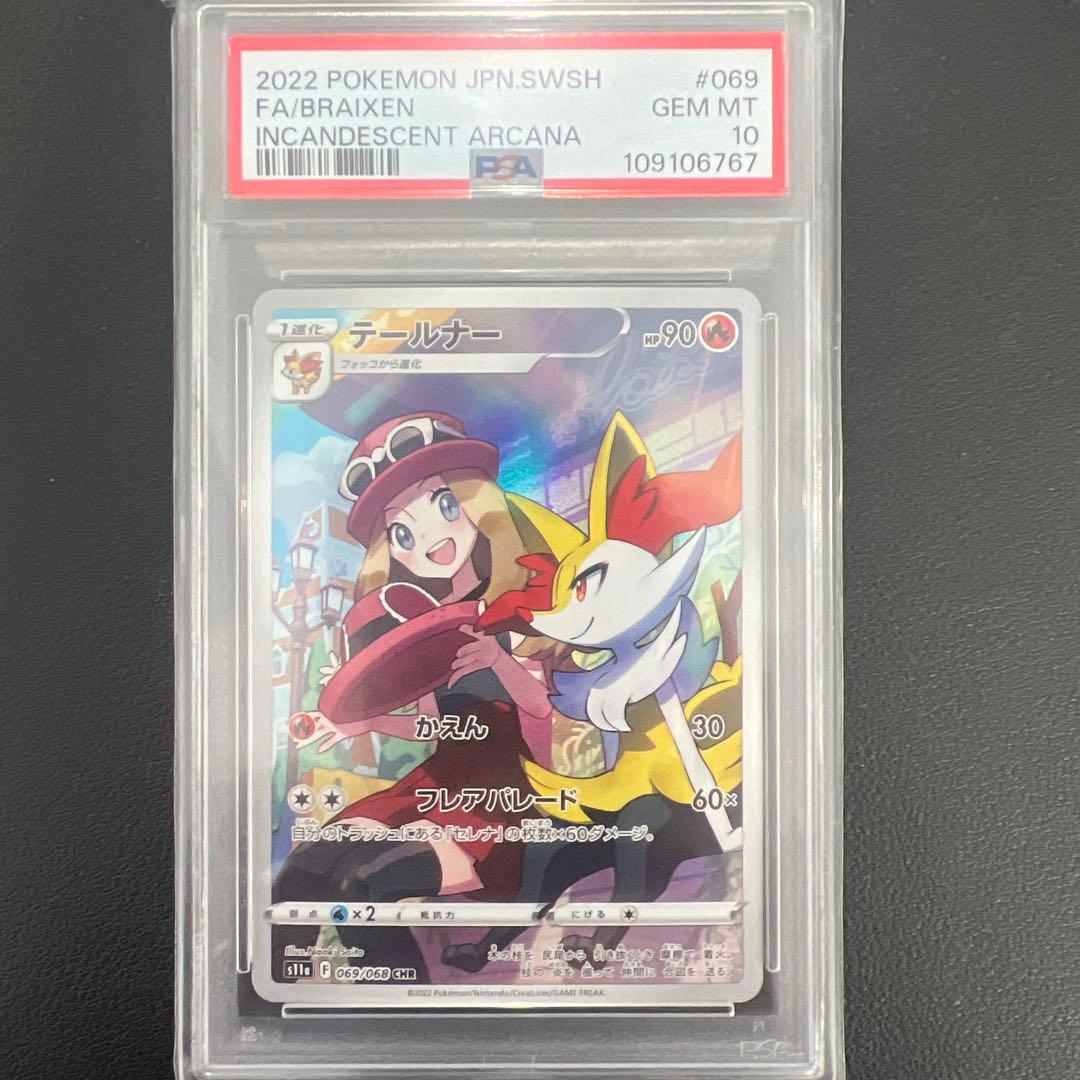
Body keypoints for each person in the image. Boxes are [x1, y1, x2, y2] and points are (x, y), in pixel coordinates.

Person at [271, 413, 564, 984]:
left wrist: (499, 659)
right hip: (433, 784)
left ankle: (404, 1011)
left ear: (477, 502)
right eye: (402, 534)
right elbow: (436, 727)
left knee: (363, 884)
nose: (428, 538)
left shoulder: (524, 604)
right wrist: (369, 723)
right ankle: (278, 1000)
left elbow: (544, 721)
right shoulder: (425, 625)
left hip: (504, 798)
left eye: (444, 505)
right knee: (302, 875)